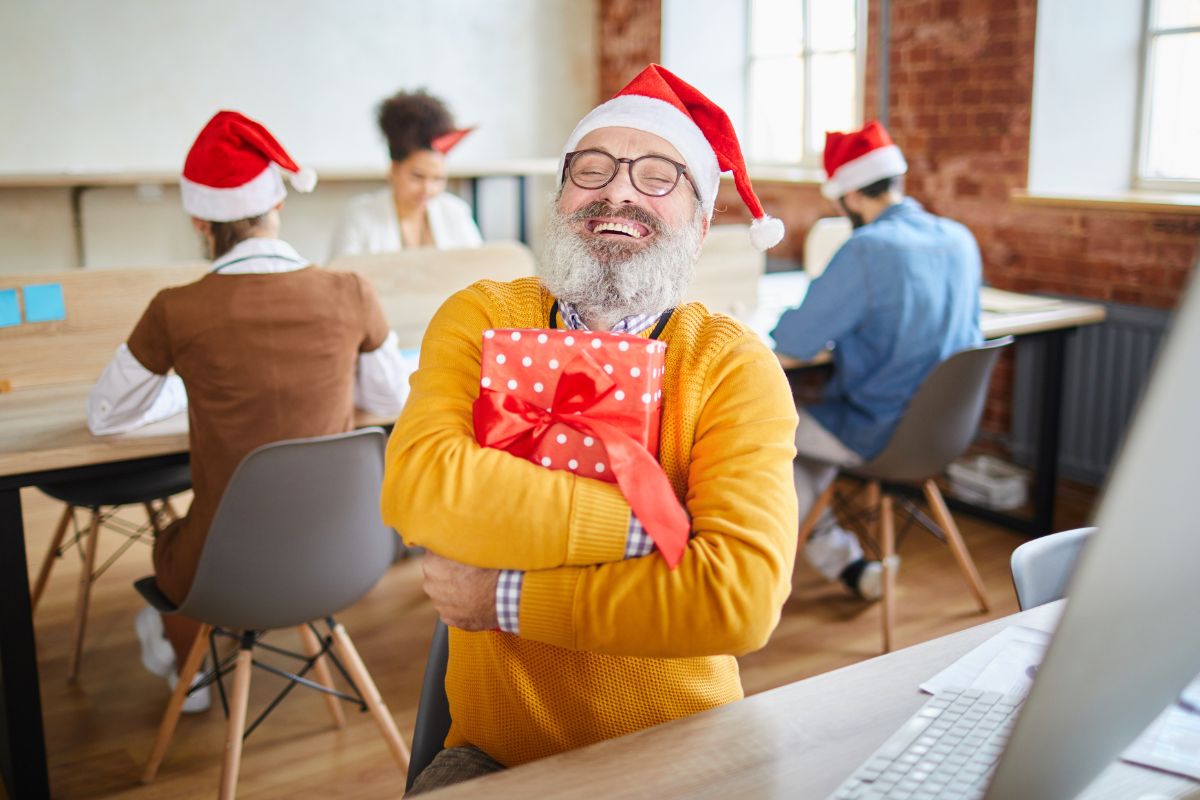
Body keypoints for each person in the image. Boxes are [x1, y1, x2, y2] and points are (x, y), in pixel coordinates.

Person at [382, 64, 798, 794]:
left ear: (701, 227)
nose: (619, 191)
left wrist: (500, 597)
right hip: (498, 756)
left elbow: (740, 597)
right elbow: (420, 488)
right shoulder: (480, 317)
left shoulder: (732, 366)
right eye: (593, 169)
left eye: (660, 176)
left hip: (686, 751)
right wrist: (661, 531)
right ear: (560, 200)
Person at [87, 110, 412, 712]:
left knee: (171, 538)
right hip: (349, 556)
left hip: (223, 573)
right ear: (277, 207)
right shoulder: (352, 292)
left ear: (199, 222)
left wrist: (186, 387)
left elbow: (106, 417)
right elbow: (393, 400)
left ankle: (182, 650)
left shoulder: (177, 309)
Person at [771, 120, 982, 601]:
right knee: (806, 450)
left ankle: (780, 569)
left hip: (877, 431)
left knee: (768, 428)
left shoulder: (867, 249)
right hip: (947, 433)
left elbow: (796, 339)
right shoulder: (960, 238)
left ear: (848, 197)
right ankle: (847, 567)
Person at [329, 89, 482, 258]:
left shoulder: (456, 213)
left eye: (438, 178)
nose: (428, 189)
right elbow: (340, 280)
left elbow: (478, 271)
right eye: (417, 176)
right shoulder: (359, 216)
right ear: (393, 170)